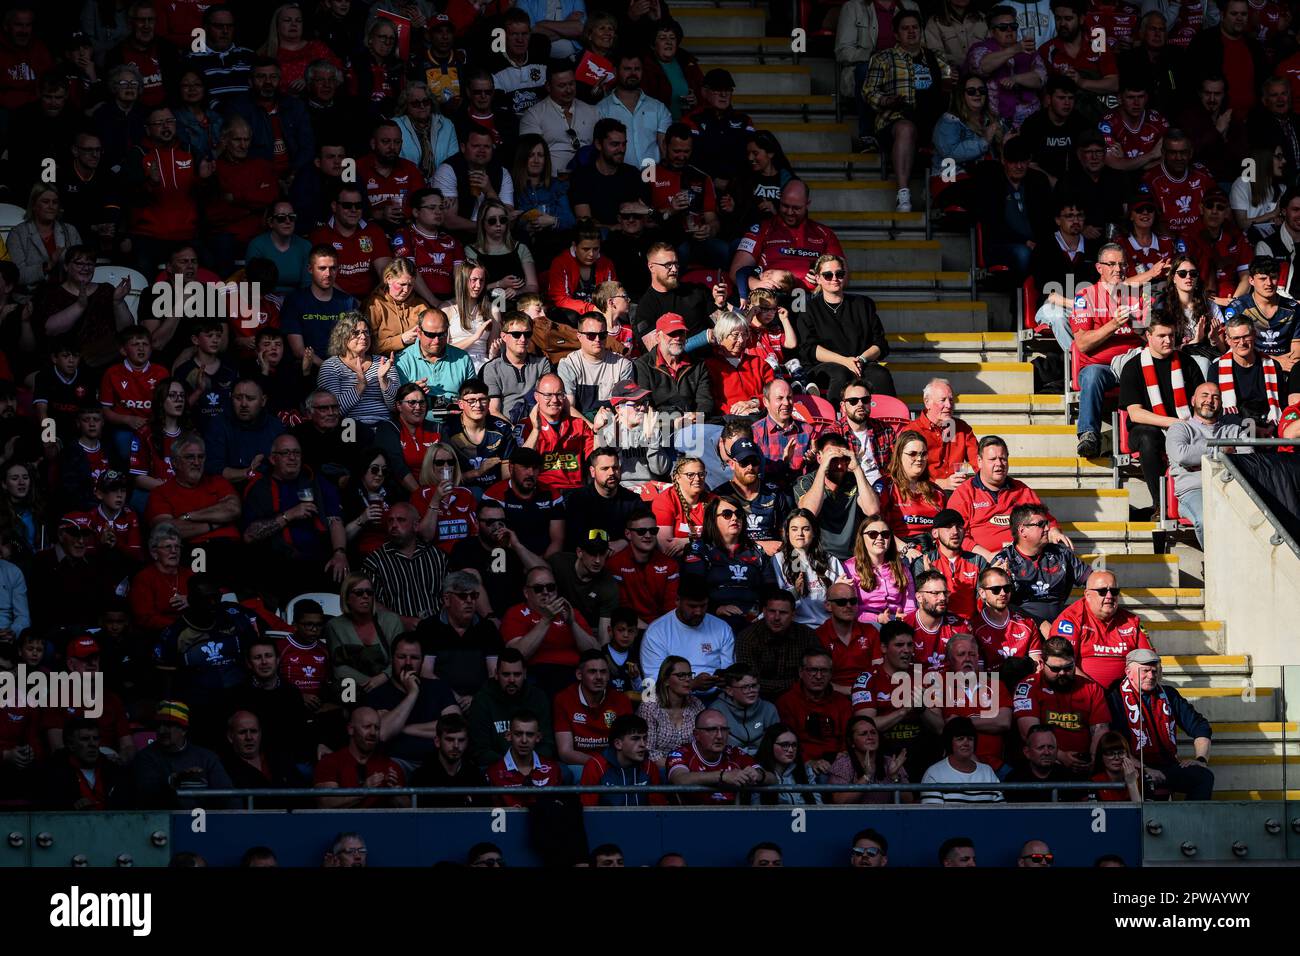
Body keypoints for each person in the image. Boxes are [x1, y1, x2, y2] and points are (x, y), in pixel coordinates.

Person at [862, 9, 948, 213]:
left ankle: (943, 191)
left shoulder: (935, 57)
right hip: (895, 120)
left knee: (950, 131)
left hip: (931, 121)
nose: (911, 32)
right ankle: (903, 194)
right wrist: (886, 100)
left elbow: (950, 82)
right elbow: (868, 91)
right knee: (906, 129)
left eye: (915, 28)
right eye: (905, 28)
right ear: (896, 34)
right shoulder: (883, 58)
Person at [1118, 313, 1206, 507]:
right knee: (1147, 437)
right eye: (1162, 336)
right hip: (1148, 428)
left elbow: (1202, 399)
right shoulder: (1133, 367)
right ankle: (1161, 504)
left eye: (1172, 336)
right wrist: (1175, 423)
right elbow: (1135, 413)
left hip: (1186, 426)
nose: (1168, 340)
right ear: (1148, 336)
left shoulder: (1187, 362)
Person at [1106, 648, 1213, 800]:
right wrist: (1145, 769)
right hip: (1133, 768)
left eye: (1155, 671)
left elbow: (1200, 727)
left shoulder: (1169, 694)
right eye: (1145, 671)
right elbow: (1115, 744)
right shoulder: (1115, 697)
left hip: (1168, 766)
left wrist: (1201, 760)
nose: (1151, 676)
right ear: (1128, 672)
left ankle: (1190, 822)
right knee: (1142, 782)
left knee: (1203, 776)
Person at [948, 436, 1068, 560]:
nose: (999, 464)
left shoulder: (1021, 490)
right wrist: (987, 556)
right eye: (992, 459)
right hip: (980, 562)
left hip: (1023, 560)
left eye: (1003, 459)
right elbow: (956, 535)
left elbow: (1046, 519)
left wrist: (1054, 531)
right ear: (979, 461)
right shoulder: (964, 493)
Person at [1167, 382, 1256, 545]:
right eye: (1205, 395)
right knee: (1205, 519)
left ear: (1221, 403)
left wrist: (1198, 460)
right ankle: (1213, 569)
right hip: (1195, 492)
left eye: (1215, 397)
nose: (1210, 400)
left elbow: (1248, 461)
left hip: (1233, 489)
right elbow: (1182, 455)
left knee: (1259, 521)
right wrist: (1222, 450)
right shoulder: (1180, 428)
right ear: (1193, 400)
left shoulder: (1235, 431)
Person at [1013, 637, 1109, 778]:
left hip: (1084, 766)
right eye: (1055, 669)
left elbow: (1100, 730)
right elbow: (1028, 732)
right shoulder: (1027, 686)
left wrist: (1093, 760)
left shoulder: (1092, 688)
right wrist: (1061, 756)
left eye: (1068, 668)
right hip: (1044, 769)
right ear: (1041, 663)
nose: (1062, 673)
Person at [730, 181, 845, 297]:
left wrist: (823, 279)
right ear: (779, 199)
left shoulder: (824, 233)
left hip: (813, 301)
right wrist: (755, 284)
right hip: (770, 301)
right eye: (785, 206)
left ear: (807, 204)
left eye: (796, 208)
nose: (790, 212)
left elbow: (843, 274)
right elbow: (736, 271)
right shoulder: (760, 229)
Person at [499, 565, 597, 696]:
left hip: (573, 674)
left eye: (550, 587)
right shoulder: (515, 613)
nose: (546, 592)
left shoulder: (570, 612)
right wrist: (546, 619)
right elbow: (517, 655)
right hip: (537, 676)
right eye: (538, 589)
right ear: (526, 593)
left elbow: (594, 652)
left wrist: (572, 624)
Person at [992, 503, 1091, 633]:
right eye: (1041, 524)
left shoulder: (1061, 553)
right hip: (1019, 628)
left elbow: (1092, 580)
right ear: (1022, 531)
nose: (1047, 529)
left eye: (1047, 524)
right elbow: (994, 603)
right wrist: (1000, 580)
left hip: (1061, 623)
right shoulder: (1003, 560)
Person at [681, 497, 777, 626]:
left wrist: (762, 614)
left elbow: (770, 590)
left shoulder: (757, 551)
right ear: (713, 519)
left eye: (739, 514)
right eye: (727, 514)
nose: (734, 518)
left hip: (754, 620)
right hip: (710, 619)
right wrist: (716, 609)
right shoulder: (699, 550)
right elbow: (692, 589)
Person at [639, 574, 735, 696]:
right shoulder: (657, 632)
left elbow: (729, 673)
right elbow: (651, 684)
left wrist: (723, 680)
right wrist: (692, 685)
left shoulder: (722, 628)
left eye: (703, 605)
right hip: (673, 700)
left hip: (717, 698)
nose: (698, 612)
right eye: (692, 606)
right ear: (677, 601)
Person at [360, 501, 450, 628]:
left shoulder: (436, 556)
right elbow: (369, 601)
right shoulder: (375, 561)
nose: (394, 525)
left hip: (438, 628)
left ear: (416, 525)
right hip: (397, 632)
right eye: (390, 521)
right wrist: (401, 620)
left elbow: (450, 593)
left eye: (401, 520)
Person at [131, 700, 234, 809]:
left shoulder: (207, 758)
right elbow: (146, 794)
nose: (161, 730)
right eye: (158, 725)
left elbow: (229, 797)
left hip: (204, 822)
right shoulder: (145, 757)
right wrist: (174, 780)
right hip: (162, 823)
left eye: (168, 725)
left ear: (184, 730)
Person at [796, 432, 881, 560]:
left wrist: (857, 468)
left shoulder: (855, 480)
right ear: (819, 458)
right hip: (820, 556)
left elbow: (872, 510)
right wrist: (823, 468)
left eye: (844, 459)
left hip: (853, 557)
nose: (840, 466)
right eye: (833, 460)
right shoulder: (807, 481)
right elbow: (809, 512)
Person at [467, 647, 557, 767]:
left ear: (525, 674)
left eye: (517, 674)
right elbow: (479, 750)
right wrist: (511, 765)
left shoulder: (538, 698)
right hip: (495, 766)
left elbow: (547, 744)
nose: (512, 680)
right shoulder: (482, 700)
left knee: (565, 773)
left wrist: (526, 765)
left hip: (534, 764)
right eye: (506, 674)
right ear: (496, 674)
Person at [665, 708, 773, 805]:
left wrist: (758, 775)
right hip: (691, 818)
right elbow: (680, 779)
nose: (720, 736)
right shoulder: (682, 753)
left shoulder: (735, 753)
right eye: (712, 730)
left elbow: (773, 780)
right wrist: (723, 776)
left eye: (724, 729)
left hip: (732, 818)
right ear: (696, 734)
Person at [323, 573, 407, 692]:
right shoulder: (334, 626)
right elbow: (339, 667)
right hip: (354, 686)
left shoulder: (391, 620)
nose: (365, 596)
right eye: (359, 593)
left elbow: (402, 658)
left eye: (369, 592)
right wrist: (369, 684)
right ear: (346, 598)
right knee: (347, 696)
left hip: (389, 682)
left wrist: (383, 677)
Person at [282, 246, 360, 372]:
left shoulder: (348, 302)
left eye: (333, 268)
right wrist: (327, 367)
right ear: (310, 269)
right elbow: (298, 350)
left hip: (343, 369)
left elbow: (355, 343)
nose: (328, 274)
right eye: (322, 268)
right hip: (306, 369)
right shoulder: (295, 300)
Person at [967, 6, 1047, 128]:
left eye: (1013, 27)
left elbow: (1040, 78)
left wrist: (1016, 79)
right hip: (996, 120)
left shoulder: (1027, 49)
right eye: (1003, 28)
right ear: (992, 32)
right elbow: (982, 66)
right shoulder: (981, 48)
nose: (1009, 31)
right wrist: (1015, 49)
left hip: (1030, 118)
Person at [313, 706, 409, 808]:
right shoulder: (330, 762)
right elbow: (325, 804)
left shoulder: (390, 766)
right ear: (351, 730)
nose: (373, 733)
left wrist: (395, 793)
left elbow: (410, 810)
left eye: (376, 728)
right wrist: (363, 791)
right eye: (367, 727)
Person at [553, 650, 634, 771]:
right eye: (592, 672)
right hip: (580, 764)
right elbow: (565, 752)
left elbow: (628, 744)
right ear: (579, 675)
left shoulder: (621, 700)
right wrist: (601, 765)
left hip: (615, 765)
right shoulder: (563, 699)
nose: (599, 677)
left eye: (603, 672)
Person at [734, 589, 821, 700]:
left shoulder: (807, 636)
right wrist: (797, 683)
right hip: (759, 700)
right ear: (764, 611)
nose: (776, 618)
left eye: (783, 612)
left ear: (793, 614)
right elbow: (749, 681)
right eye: (772, 611)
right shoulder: (748, 638)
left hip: (800, 698)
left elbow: (815, 675)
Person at [595, 49, 671, 169]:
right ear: (615, 71)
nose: (633, 73)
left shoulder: (658, 108)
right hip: (618, 178)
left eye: (637, 69)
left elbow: (664, 147)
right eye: (627, 69)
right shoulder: (601, 109)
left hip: (652, 177)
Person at [776, 648, 852, 768]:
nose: (818, 676)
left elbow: (848, 738)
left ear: (831, 674)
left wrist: (843, 755)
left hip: (838, 762)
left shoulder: (842, 702)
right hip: (800, 764)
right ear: (801, 672)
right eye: (813, 670)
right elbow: (787, 742)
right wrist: (808, 762)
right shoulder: (787, 702)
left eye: (824, 671)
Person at [773, 509, 847, 629]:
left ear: (814, 532)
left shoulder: (830, 561)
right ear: (787, 533)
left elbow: (844, 602)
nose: (800, 533)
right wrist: (794, 592)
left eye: (806, 529)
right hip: (794, 629)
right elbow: (775, 605)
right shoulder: (777, 561)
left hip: (827, 628)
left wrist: (838, 591)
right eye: (794, 529)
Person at [878, 430, 946, 553]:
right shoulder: (885, 486)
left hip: (932, 551)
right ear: (899, 455)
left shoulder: (937, 492)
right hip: (897, 551)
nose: (919, 459)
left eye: (923, 454)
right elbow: (875, 526)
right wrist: (905, 549)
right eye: (912, 454)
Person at [395, 307, 476, 409]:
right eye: (430, 335)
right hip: (418, 420)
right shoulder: (402, 360)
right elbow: (396, 403)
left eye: (442, 334)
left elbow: (473, 396)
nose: (437, 341)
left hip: (455, 418)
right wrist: (410, 392)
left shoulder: (462, 358)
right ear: (419, 333)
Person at [578, 712, 666, 805]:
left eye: (644, 738)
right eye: (635, 739)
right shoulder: (596, 766)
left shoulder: (649, 767)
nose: (643, 744)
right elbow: (589, 812)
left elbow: (658, 812)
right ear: (618, 744)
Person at [548, 532, 620, 644]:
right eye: (592, 553)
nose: (598, 560)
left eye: (602, 554)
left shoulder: (608, 584)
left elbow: (604, 637)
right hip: (554, 623)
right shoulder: (558, 563)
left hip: (589, 631)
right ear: (579, 552)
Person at [845, 513, 916, 625]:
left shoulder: (901, 567)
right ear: (862, 538)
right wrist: (877, 618)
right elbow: (849, 610)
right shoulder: (849, 568)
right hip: (864, 625)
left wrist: (905, 618)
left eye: (885, 534)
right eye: (872, 534)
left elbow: (910, 606)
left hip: (897, 625)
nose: (880, 538)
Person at [639, 655, 707, 768]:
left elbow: (705, 742)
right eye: (681, 675)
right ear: (666, 681)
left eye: (689, 675)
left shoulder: (697, 704)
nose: (687, 679)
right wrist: (677, 768)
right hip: (659, 768)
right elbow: (648, 751)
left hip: (693, 766)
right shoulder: (650, 707)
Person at [486, 710, 566, 806]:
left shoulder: (553, 769)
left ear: (538, 737)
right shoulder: (493, 772)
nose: (524, 740)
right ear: (508, 736)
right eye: (518, 734)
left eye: (530, 734)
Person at [406, 713, 488, 806]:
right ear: (437, 741)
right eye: (450, 739)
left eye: (461, 740)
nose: (456, 745)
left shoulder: (476, 777)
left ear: (467, 742)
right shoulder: (421, 777)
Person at [920, 716, 1005, 803]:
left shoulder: (987, 771)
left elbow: (1001, 810)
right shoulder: (934, 774)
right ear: (949, 742)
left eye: (970, 739)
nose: (966, 743)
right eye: (960, 739)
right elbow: (933, 815)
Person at [827, 714, 909, 804]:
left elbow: (908, 800)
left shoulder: (890, 762)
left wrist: (894, 777)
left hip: (886, 816)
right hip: (853, 817)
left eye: (873, 732)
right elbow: (839, 801)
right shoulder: (843, 764)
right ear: (851, 742)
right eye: (863, 734)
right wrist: (866, 777)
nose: (870, 737)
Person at [836, 379, 897, 487]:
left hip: (884, 490)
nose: (860, 404)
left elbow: (897, 464)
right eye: (853, 401)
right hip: (849, 492)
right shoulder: (834, 433)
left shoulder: (885, 430)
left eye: (865, 400)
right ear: (843, 406)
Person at [712, 663, 780, 755]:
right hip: (730, 761)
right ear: (729, 691)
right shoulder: (716, 710)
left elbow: (776, 745)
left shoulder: (769, 709)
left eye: (754, 686)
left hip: (763, 761)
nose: (751, 690)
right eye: (745, 687)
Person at [1004, 724, 1083, 801]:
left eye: (1051, 747)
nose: (1047, 752)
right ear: (1027, 752)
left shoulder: (1070, 779)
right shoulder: (1014, 780)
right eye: (1040, 748)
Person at [1090, 730, 1144, 801]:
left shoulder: (1142, 776)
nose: (1116, 758)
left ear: (1127, 754)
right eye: (1110, 753)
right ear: (1101, 757)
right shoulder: (1094, 782)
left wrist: (1132, 783)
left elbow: (1143, 811)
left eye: (1121, 753)